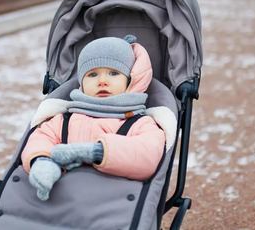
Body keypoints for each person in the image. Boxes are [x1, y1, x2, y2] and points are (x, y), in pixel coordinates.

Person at [21, 35, 166, 201]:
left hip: (111, 202)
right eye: (92, 75)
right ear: (81, 82)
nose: (102, 81)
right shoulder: (64, 119)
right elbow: (40, 138)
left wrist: (95, 152)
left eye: (113, 73)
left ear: (130, 81)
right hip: (62, 200)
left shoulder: (140, 123)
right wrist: (42, 161)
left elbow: (147, 154)